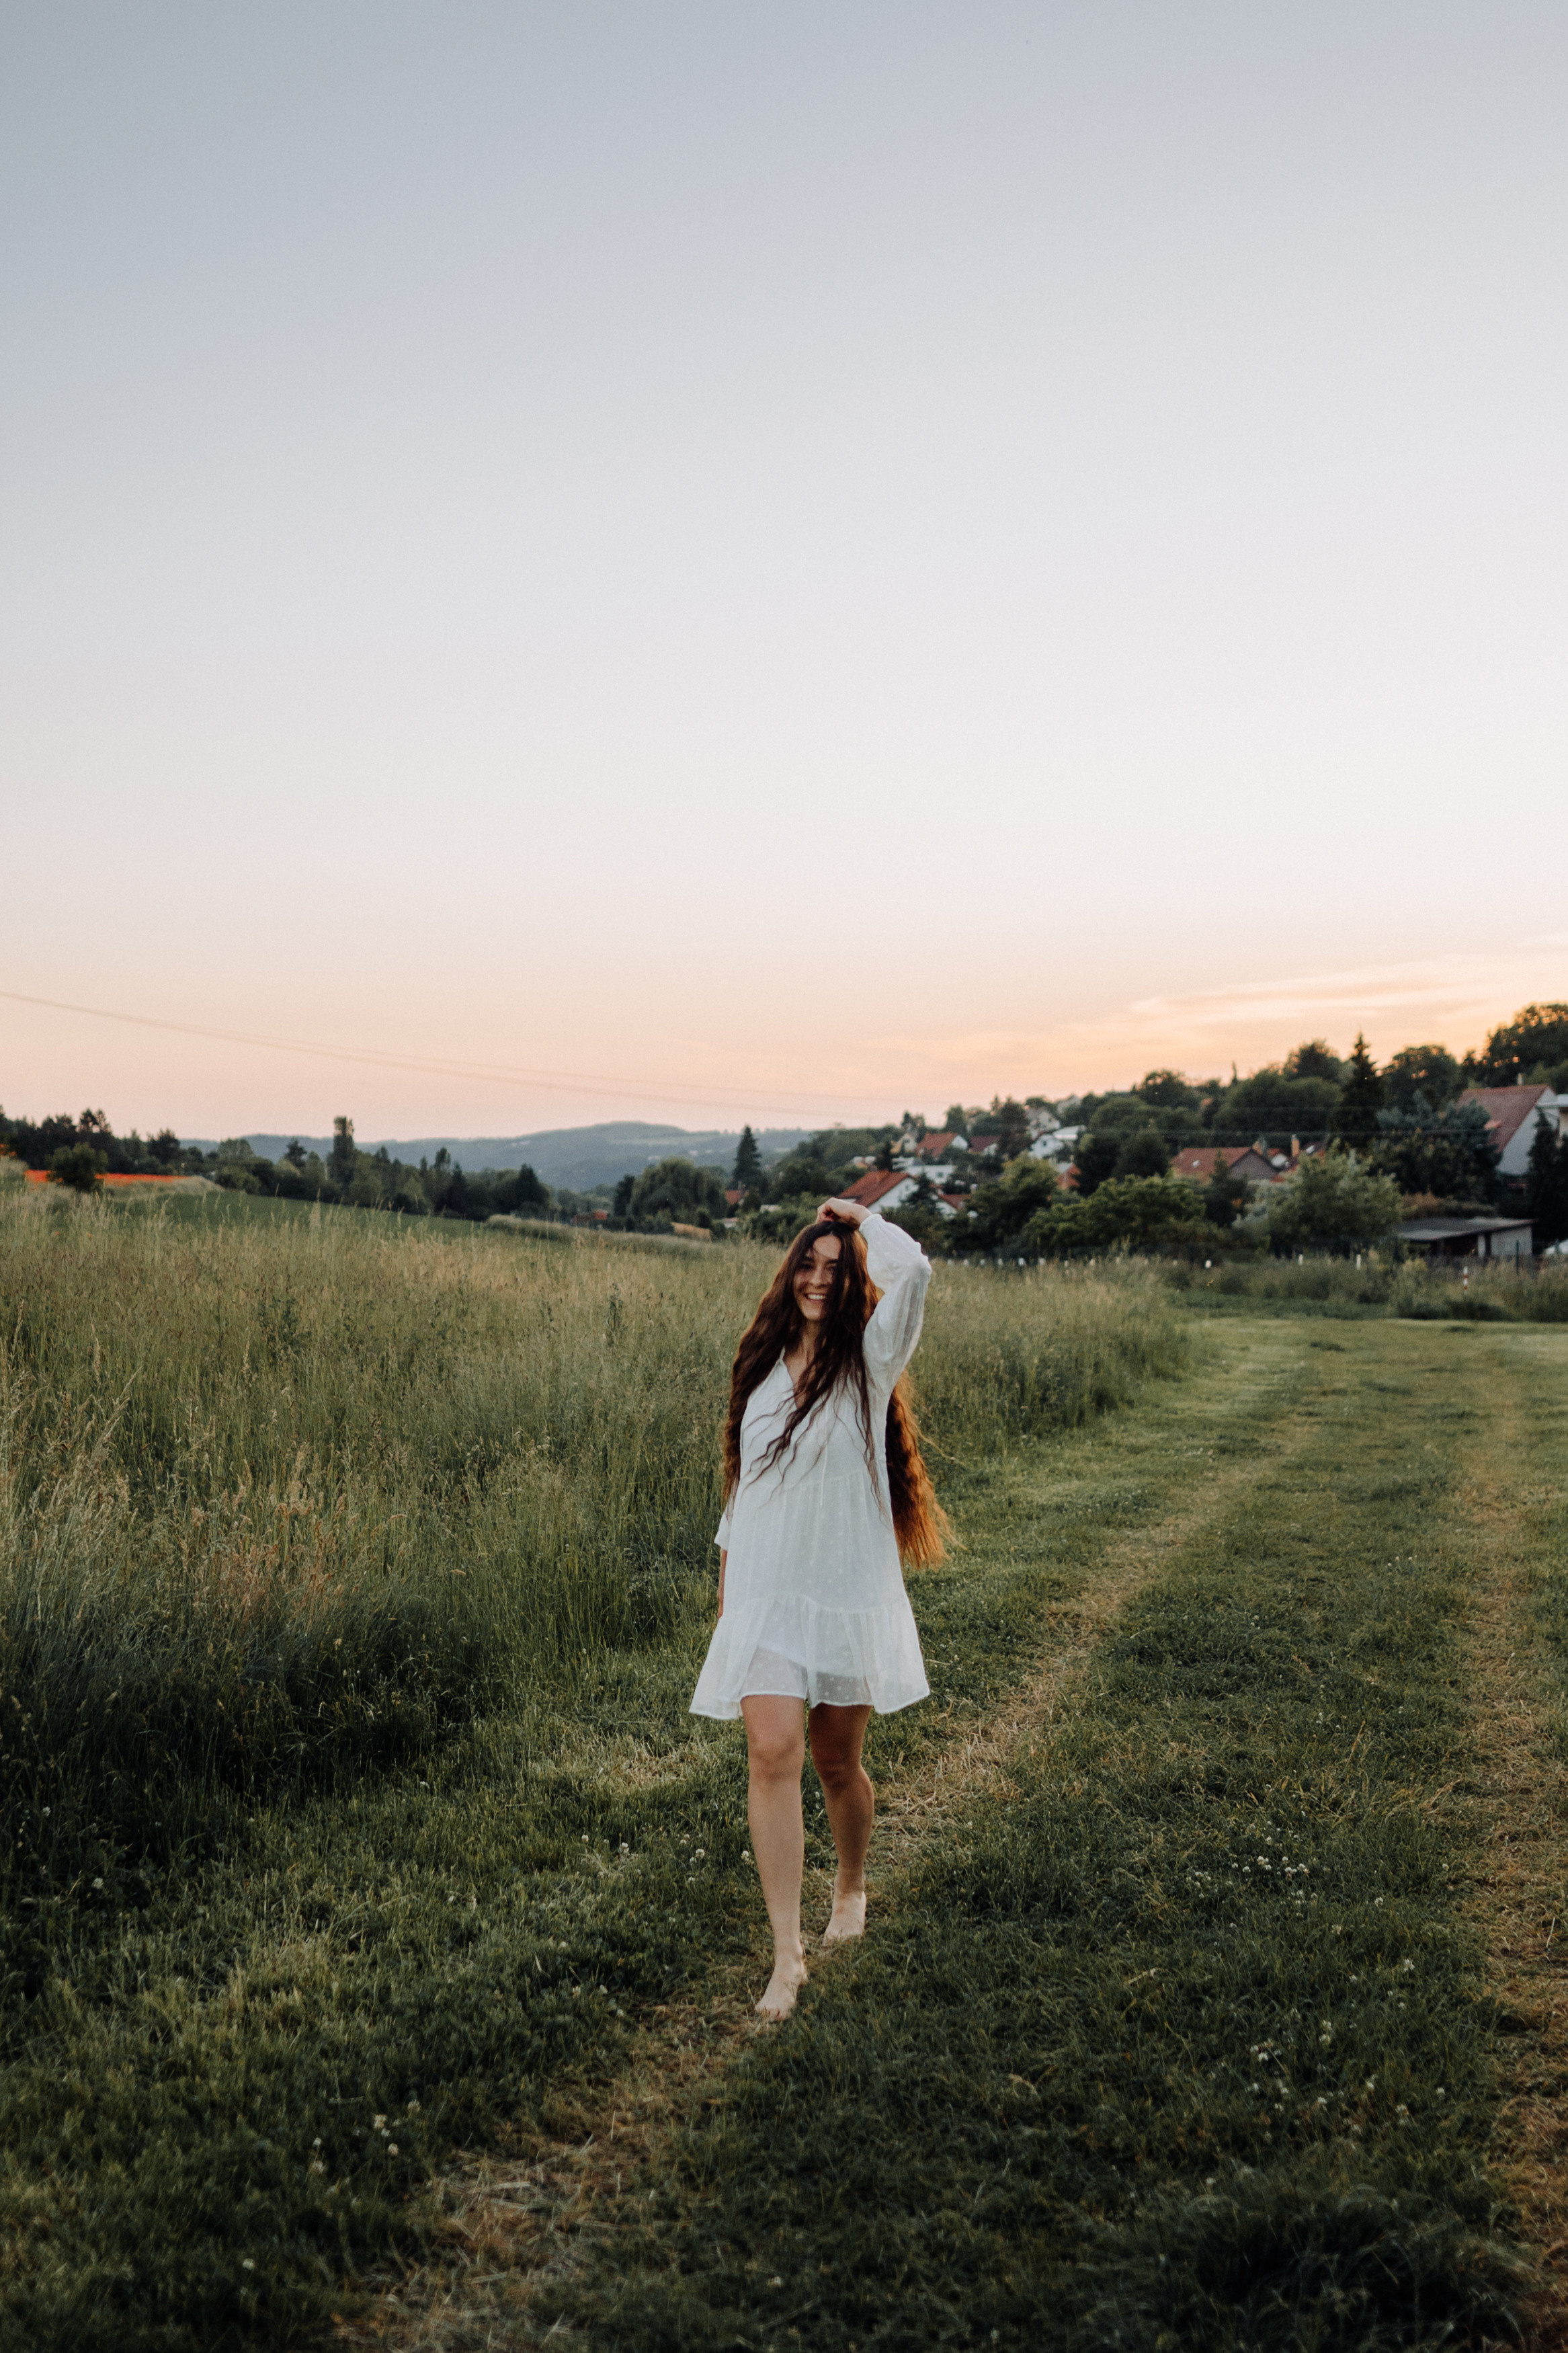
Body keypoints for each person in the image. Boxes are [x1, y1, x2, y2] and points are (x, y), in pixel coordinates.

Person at [690, 1195, 947, 2019]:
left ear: (852, 1284)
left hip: (842, 1593)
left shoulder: (870, 1363)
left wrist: (859, 1216)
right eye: (808, 1260)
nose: (817, 1277)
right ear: (788, 1269)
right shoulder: (760, 1366)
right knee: (771, 1752)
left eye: (836, 1269)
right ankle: (785, 1954)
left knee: (836, 1761)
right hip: (764, 1593)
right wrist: (730, 1596)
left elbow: (916, 1270)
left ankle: (851, 1882)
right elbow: (744, 1494)